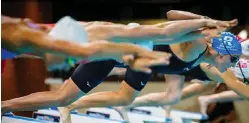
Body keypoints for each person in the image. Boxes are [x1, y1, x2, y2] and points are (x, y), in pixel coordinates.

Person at [1, 15, 228, 118]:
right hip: (99, 41)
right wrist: (204, 20)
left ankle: (4, 106)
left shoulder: (154, 37)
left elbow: (165, 32)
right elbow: (169, 24)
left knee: (57, 84)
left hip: (107, 46)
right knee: (31, 47)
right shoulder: (194, 44)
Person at [1, 15, 171, 73]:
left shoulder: (30, 43)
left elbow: (90, 52)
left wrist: (126, 55)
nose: (69, 67)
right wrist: (134, 50)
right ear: (59, 45)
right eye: (69, 59)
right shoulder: (19, 35)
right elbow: (87, 51)